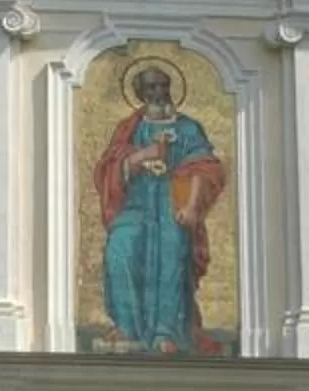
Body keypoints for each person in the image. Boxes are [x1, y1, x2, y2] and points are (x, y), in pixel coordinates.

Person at [91, 61, 227, 352]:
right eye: (151, 87)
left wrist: (191, 206)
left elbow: (206, 168)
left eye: (163, 85)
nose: (159, 93)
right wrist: (140, 157)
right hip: (137, 205)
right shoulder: (129, 128)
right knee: (119, 247)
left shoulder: (188, 128)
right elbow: (108, 167)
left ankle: (167, 332)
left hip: (172, 205)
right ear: (140, 93)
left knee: (170, 255)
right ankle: (126, 327)